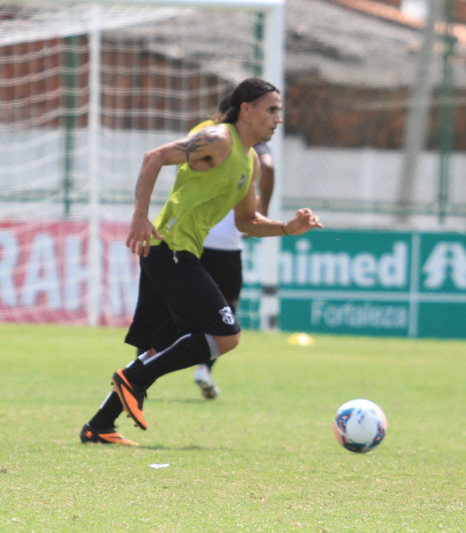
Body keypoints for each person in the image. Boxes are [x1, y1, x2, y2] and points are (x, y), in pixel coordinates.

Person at [80, 78, 322, 446]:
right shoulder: (219, 140)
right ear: (247, 109)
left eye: (280, 111)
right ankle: (135, 379)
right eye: (271, 110)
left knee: (158, 347)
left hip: (175, 253)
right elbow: (154, 157)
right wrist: (139, 217)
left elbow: (247, 222)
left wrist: (288, 228)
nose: (278, 119)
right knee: (226, 336)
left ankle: (100, 425)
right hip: (171, 250)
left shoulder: (251, 161)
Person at [188, 97, 276, 400]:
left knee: (170, 308)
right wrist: (259, 210)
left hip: (194, 237)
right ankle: (204, 368)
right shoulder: (246, 144)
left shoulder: (207, 135)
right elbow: (268, 165)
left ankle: (140, 365)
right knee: (226, 314)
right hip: (226, 243)